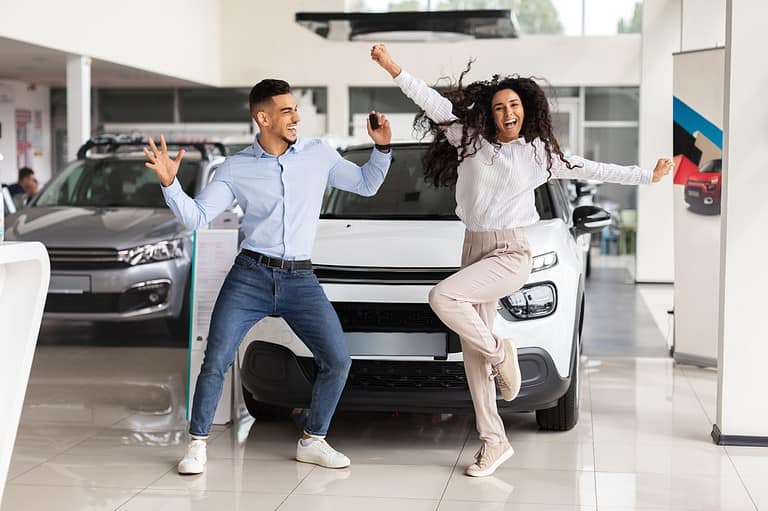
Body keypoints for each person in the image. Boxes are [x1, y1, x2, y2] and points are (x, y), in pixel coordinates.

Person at [371, 44, 673, 477]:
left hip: (510, 251)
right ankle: (494, 440)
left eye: (513, 105)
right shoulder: (467, 139)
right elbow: (429, 99)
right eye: (498, 107)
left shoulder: (539, 155)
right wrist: (391, 67)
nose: (506, 111)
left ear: (526, 111)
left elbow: (594, 168)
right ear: (489, 115)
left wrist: (648, 175)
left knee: (443, 299)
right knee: (470, 352)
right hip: (472, 246)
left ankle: (500, 352)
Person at [143, 78, 393, 474]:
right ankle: (197, 445)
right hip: (250, 276)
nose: (296, 117)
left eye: (296, 109)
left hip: (301, 279)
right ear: (263, 118)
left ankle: (313, 439)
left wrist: (381, 148)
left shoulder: (318, 155)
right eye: (287, 110)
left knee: (337, 360)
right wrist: (170, 184)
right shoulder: (236, 167)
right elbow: (197, 217)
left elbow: (366, 184)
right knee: (217, 361)